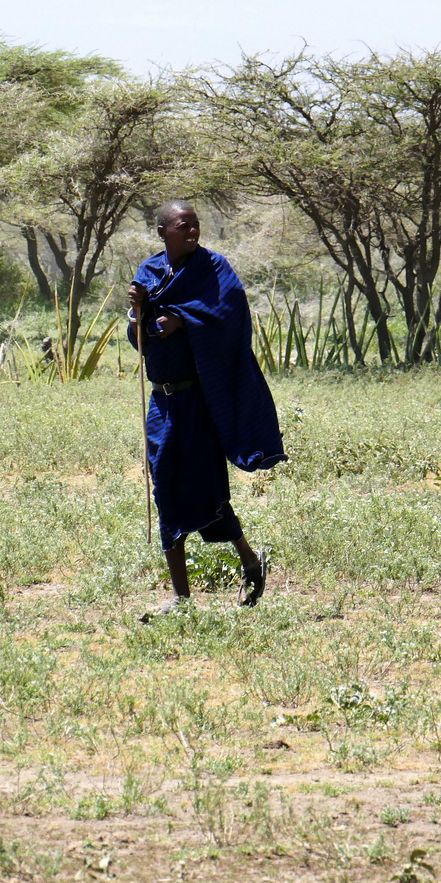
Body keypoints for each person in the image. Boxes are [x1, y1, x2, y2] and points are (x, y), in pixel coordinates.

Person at [128, 200, 286, 620]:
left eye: (196, 225)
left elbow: (228, 318)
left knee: (206, 489)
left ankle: (250, 561)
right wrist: (139, 312)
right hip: (162, 401)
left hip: (199, 400)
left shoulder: (215, 269)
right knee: (165, 488)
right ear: (163, 231)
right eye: (184, 226)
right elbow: (136, 338)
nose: (193, 232)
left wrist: (181, 319)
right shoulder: (149, 273)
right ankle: (181, 600)